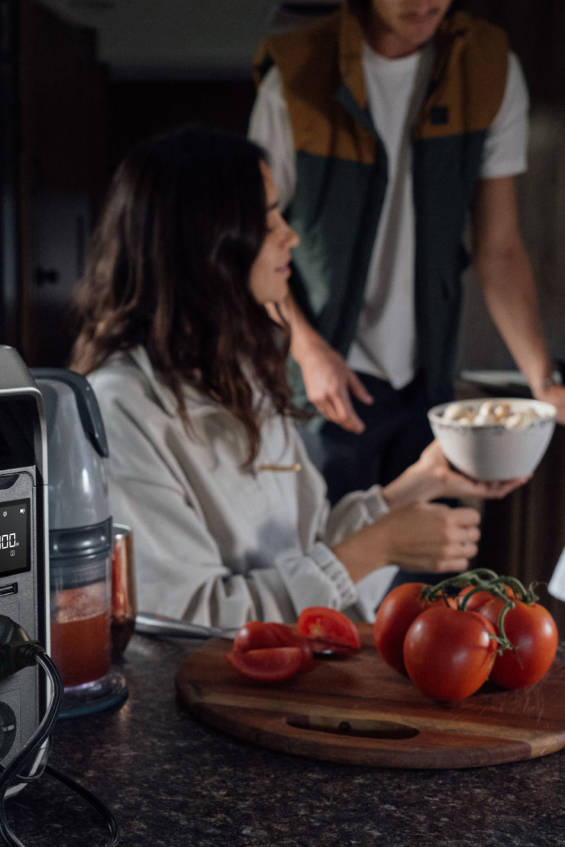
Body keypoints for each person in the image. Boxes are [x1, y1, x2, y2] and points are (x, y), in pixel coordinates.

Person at [72, 126, 527, 627]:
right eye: (268, 221)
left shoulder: (243, 372)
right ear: (208, 244)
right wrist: (376, 550)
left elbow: (309, 548)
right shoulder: (119, 410)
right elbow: (183, 619)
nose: (289, 235)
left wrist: (419, 484)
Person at [249, 0, 565, 503]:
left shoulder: (491, 71)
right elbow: (253, 235)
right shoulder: (293, 80)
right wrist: (307, 348)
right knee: (324, 563)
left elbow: (499, 249)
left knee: (416, 570)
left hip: (427, 384)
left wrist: (542, 383)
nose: (425, 3)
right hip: (323, 380)